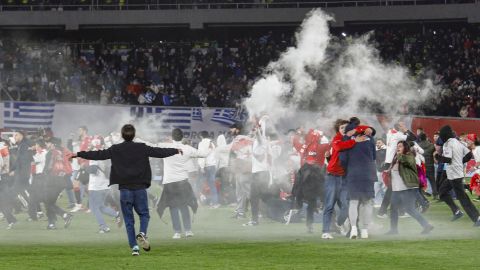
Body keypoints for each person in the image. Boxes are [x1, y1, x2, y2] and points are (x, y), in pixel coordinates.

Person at [68, 124, 182, 256]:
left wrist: (77, 154)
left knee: (128, 219)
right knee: (144, 214)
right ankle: (143, 233)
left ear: (122, 135)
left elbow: (99, 154)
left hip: (124, 189)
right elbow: (159, 152)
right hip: (140, 188)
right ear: (134, 135)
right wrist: (175, 150)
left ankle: (134, 248)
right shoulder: (142, 147)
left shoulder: (116, 149)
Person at [153, 128, 210, 239]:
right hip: (183, 181)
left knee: (173, 207)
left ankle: (177, 232)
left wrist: (136, 138)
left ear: (172, 137)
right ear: (182, 137)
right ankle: (188, 230)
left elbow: (150, 145)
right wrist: (211, 148)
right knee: (184, 206)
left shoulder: (166, 146)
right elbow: (203, 154)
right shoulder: (187, 148)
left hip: (170, 182)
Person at [322, 119, 367, 239]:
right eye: (341, 128)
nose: (343, 130)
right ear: (338, 130)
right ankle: (325, 232)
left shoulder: (351, 139)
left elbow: (338, 157)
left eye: (346, 127)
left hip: (344, 177)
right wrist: (354, 141)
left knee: (347, 206)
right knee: (329, 205)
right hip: (332, 176)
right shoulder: (338, 138)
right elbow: (338, 147)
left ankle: (338, 224)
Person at [435, 125, 480, 226]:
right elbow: (469, 154)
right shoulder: (458, 142)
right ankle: (457, 211)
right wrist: (460, 161)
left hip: (453, 175)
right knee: (442, 192)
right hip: (455, 174)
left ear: (444, 135)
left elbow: (447, 159)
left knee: (463, 198)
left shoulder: (447, 144)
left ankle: (477, 218)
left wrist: (438, 157)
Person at [386, 141, 434, 235]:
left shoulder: (409, 155)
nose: (398, 148)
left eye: (400, 146)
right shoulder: (396, 157)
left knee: (409, 209)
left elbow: (407, 162)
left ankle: (426, 225)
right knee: (393, 208)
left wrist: (399, 155)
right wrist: (388, 170)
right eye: (397, 146)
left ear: (405, 147)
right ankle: (393, 229)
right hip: (397, 188)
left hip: (407, 187)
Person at [342, 120, 376, 239]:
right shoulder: (370, 140)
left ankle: (354, 229)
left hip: (353, 174)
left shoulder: (346, 141)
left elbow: (343, 160)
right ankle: (365, 230)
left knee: (353, 202)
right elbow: (374, 158)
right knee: (367, 202)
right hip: (367, 174)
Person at [86, 137, 122, 233]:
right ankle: (116, 214)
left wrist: (86, 167)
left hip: (96, 186)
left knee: (94, 209)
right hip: (105, 185)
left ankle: (103, 227)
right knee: (101, 207)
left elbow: (93, 170)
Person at [198, 131, 219, 208]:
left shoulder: (202, 143)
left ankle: (203, 201)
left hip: (207, 166)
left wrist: (202, 167)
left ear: (201, 136)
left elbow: (201, 155)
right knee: (212, 185)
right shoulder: (212, 143)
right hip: (213, 165)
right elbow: (216, 155)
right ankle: (214, 203)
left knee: (200, 184)